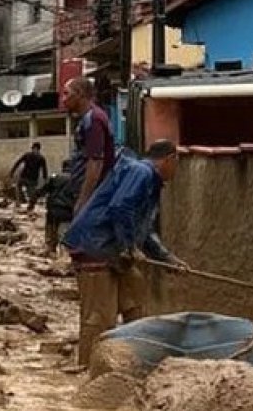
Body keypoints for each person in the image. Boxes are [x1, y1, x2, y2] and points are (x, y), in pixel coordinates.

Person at [61, 140, 186, 366]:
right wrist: (128, 247)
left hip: (113, 249)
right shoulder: (141, 172)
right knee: (99, 316)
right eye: (178, 163)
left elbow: (144, 229)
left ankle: (133, 361)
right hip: (95, 246)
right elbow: (120, 207)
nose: (177, 170)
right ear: (170, 159)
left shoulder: (150, 181)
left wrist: (166, 257)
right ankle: (89, 369)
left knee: (136, 302)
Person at [63, 77, 116, 215]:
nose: (63, 99)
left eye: (66, 93)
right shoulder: (89, 118)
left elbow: (95, 163)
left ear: (79, 94)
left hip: (95, 194)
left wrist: (83, 201)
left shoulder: (93, 120)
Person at [29, 159, 74, 257]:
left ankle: (50, 257)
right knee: (64, 238)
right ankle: (62, 260)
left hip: (52, 211)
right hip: (67, 213)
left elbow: (39, 191)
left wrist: (31, 205)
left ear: (63, 167)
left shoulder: (54, 177)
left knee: (50, 240)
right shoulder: (76, 180)